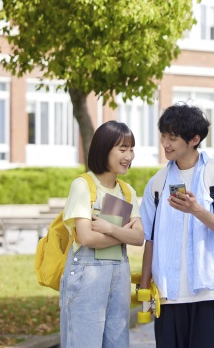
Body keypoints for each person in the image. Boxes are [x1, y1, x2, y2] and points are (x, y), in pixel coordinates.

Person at [139, 102, 214, 348]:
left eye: (172, 138)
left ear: (194, 139)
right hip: (169, 296)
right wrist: (144, 291)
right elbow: (149, 240)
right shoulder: (158, 182)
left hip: (212, 293)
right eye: (163, 136)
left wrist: (196, 210)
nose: (165, 144)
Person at [60, 121, 144, 348]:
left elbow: (139, 238)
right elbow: (85, 237)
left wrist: (109, 229)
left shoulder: (127, 191)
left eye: (131, 149)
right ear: (104, 149)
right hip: (86, 276)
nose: (129, 156)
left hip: (119, 276)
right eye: (122, 149)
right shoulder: (83, 185)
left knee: (118, 343)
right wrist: (123, 234)